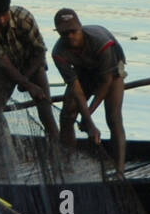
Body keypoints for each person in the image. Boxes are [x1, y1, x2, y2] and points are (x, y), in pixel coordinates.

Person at [0, 0, 58, 145]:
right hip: (3, 70)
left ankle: (57, 150)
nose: (1, 21)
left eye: (3, 15)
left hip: (32, 63)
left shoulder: (23, 17)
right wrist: (25, 84)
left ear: (8, 9)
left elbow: (40, 52)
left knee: (45, 107)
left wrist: (26, 80)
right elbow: (4, 64)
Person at [51, 9, 127, 174]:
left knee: (113, 117)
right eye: (65, 34)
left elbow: (106, 82)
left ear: (80, 28)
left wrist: (89, 116)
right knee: (67, 115)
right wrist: (88, 121)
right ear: (58, 33)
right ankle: (67, 166)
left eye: (73, 31)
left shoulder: (102, 42)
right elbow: (76, 89)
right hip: (84, 71)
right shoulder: (58, 53)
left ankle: (120, 171)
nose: (70, 36)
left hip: (111, 72)